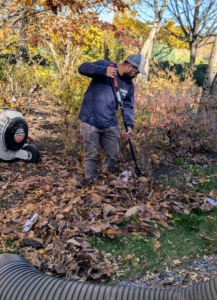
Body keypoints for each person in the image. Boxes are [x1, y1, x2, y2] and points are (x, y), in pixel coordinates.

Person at [78, 53, 147, 181]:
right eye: (136, 72)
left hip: (109, 122)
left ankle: (104, 174)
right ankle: (91, 181)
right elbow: (82, 68)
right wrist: (102, 71)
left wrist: (130, 125)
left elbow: (128, 106)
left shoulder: (129, 85)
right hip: (90, 120)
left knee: (113, 153)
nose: (136, 76)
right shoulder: (105, 65)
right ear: (129, 67)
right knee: (91, 154)